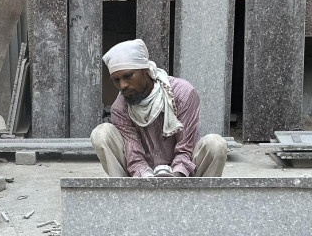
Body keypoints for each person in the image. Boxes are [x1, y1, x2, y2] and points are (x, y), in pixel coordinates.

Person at [89, 39, 227, 178]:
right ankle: (125, 195)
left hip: (184, 173)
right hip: (139, 177)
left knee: (215, 144)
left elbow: (185, 148)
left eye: (128, 75)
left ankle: (201, 198)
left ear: (145, 71)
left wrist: (173, 177)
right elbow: (134, 157)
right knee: (101, 133)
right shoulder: (120, 108)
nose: (123, 85)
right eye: (116, 80)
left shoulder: (183, 93)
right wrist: (148, 179)